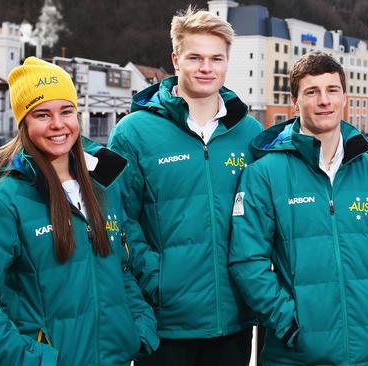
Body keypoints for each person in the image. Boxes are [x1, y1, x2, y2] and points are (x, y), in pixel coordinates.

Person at [0, 57, 159, 365]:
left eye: (66, 111)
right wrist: (37, 360)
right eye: (42, 114)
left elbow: (119, 270)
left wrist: (137, 326)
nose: (58, 124)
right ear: (24, 123)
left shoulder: (103, 186)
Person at [229, 51, 368, 365]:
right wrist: (287, 322)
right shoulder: (265, 173)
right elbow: (247, 260)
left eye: (332, 90)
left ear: (345, 98)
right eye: (312, 92)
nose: (324, 101)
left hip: (367, 352)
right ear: (295, 101)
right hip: (295, 354)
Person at [107, 6, 262, 366]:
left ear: (226, 63)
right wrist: (157, 280)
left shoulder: (250, 134)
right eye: (195, 57)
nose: (206, 67)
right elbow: (117, 218)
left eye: (216, 58)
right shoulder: (133, 132)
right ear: (176, 59)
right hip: (166, 322)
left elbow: (264, 218)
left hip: (235, 317)